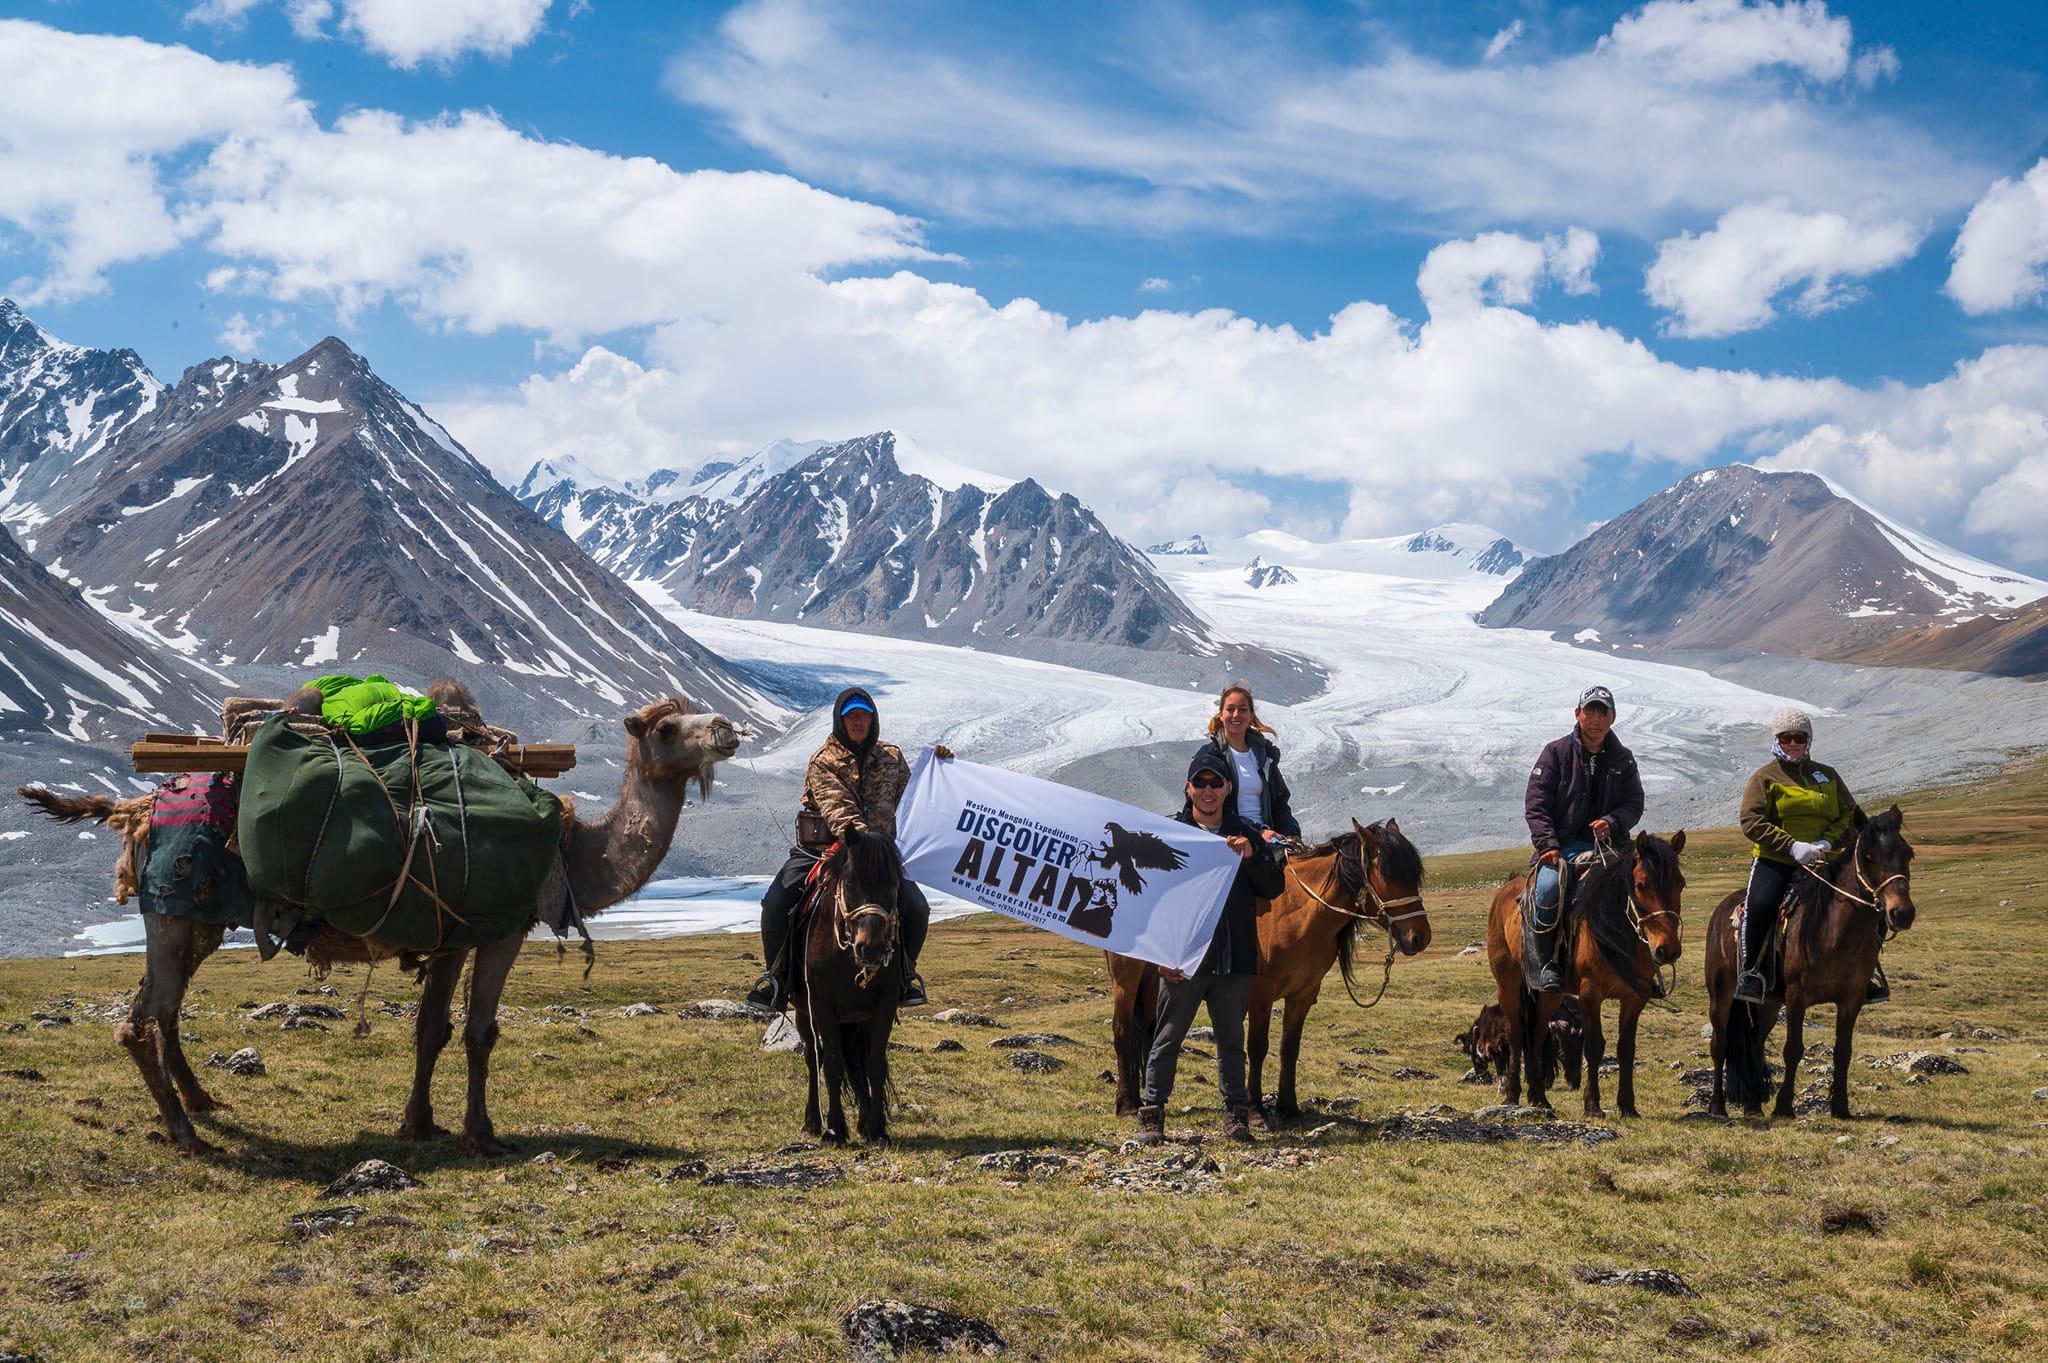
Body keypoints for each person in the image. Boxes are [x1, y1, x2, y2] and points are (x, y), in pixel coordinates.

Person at [1134, 749, 1285, 1146]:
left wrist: (1253, 857)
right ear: (1188, 787)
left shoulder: (1245, 834)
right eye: (1199, 782)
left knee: (1232, 1042)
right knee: (1166, 1038)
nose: (1207, 790)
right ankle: (1152, 1114)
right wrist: (1159, 955)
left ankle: (1236, 1116)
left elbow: (1274, 886)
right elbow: (1149, 899)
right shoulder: (1170, 834)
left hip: (1234, 956)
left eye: (1215, 782)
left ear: (1227, 788)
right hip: (1181, 958)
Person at [746, 687, 931, 1010]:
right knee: (777, 902)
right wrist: (865, 845)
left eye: (864, 716)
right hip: (824, 852)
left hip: (881, 857)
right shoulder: (823, 761)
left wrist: (941, 768)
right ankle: (777, 978)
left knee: (916, 908)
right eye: (851, 717)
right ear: (840, 721)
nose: (858, 722)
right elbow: (838, 811)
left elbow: (915, 798)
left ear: (873, 719)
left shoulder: (892, 757)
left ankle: (905, 976)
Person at [1734, 706, 1877, 1003]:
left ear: (1808, 740)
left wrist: (1827, 842)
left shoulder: (1827, 775)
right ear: (1777, 740)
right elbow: (1751, 819)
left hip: (1826, 859)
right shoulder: (1764, 778)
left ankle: (1866, 972)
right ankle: (1752, 972)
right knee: (1760, 906)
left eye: (1800, 737)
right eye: (1787, 738)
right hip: (1777, 860)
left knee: (1865, 903)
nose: (1794, 744)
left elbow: (1850, 815)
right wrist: (1790, 845)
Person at [1523, 684, 1645, 993]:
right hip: (1562, 847)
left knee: (1646, 887)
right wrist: (1548, 845)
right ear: (1578, 715)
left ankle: (1642, 966)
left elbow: (1634, 802)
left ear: (1613, 718)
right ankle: (1548, 963)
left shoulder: (1623, 759)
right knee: (1548, 891)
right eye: (1589, 711)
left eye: (1602, 712)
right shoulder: (1555, 753)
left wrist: (1612, 821)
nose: (1595, 719)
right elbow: (1536, 803)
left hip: (1611, 846)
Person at [1201, 683, 1302, 845]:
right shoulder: (1209, 757)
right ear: (1220, 714)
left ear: (1251, 716)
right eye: (1230, 709)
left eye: (1242, 709)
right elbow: (1205, 806)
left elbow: (1280, 802)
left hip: (1269, 837)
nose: (1236, 714)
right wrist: (1257, 830)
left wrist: (1292, 834)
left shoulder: (1265, 756)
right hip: (1228, 839)